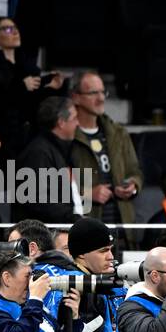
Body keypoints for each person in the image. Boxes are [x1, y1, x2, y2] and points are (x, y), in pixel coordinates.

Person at [0, 16, 65, 151]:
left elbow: (32, 105)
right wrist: (20, 88)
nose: (15, 32)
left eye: (15, 28)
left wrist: (50, 88)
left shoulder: (28, 67)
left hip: (25, 135)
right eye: (8, 29)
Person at [69, 72, 143, 241]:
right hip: (87, 224)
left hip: (122, 223)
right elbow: (53, 183)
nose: (101, 98)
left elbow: (135, 171)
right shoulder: (68, 135)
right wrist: (86, 194)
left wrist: (132, 185)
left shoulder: (118, 132)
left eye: (103, 92)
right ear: (76, 97)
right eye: (93, 93)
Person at [13, 97, 83, 224]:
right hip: (41, 236)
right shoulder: (39, 152)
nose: (77, 123)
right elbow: (37, 198)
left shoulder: (58, 150)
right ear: (61, 122)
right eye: (74, 118)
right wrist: (73, 218)